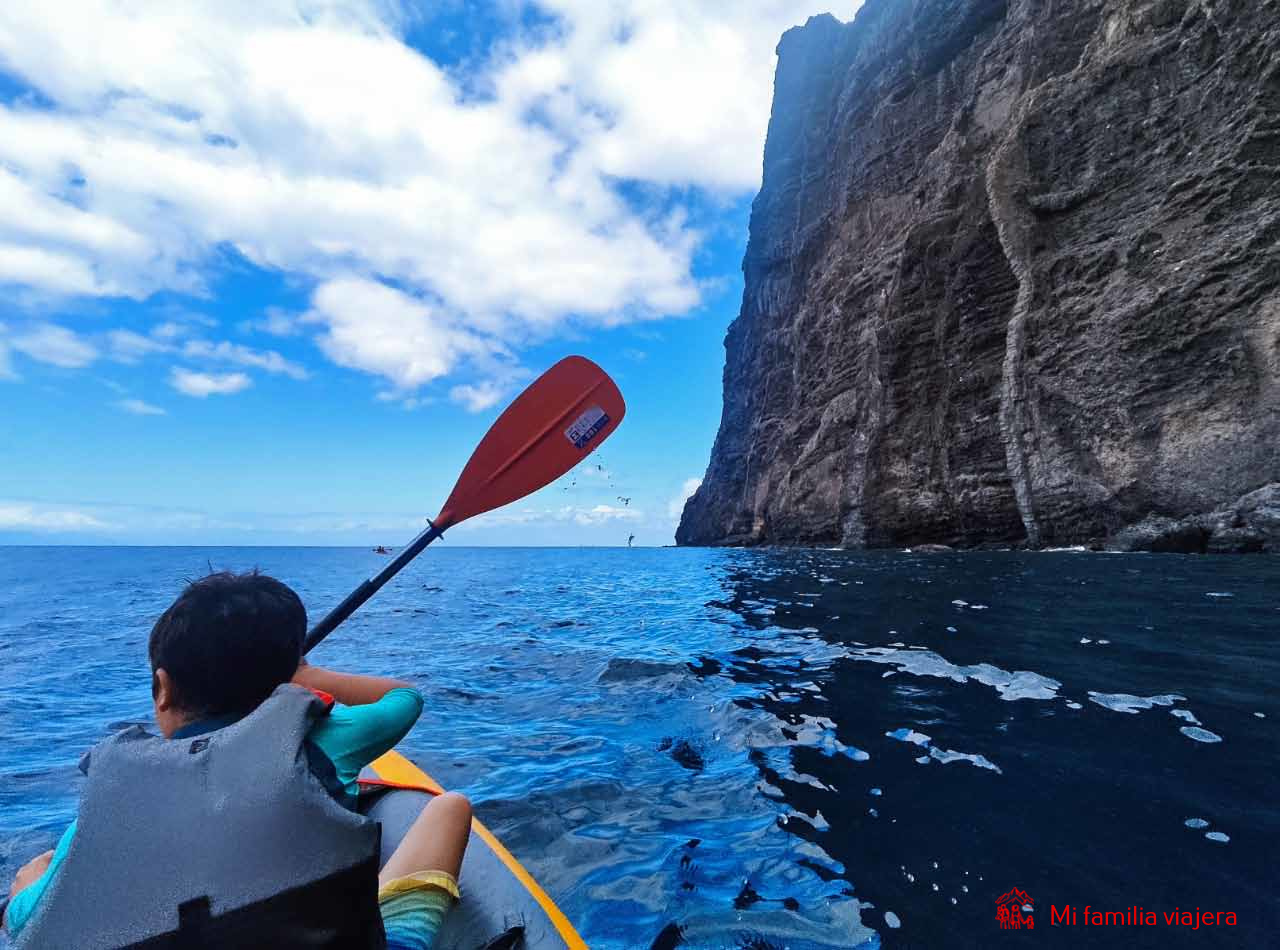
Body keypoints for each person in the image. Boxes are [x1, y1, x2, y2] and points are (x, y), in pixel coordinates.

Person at [3, 570, 471, 949]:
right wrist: (306, 673)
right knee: (450, 808)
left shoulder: (111, 801)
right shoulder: (329, 740)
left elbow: (25, 920)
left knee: (35, 874)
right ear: (286, 685)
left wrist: (27, 882)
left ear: (162, 687)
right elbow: (404, 698)